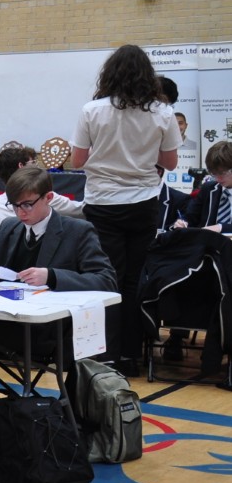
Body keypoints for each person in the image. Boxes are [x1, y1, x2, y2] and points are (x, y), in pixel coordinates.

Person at [71, 44, 181, 373]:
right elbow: (170, 162)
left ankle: (106, 353)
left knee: (107, 278)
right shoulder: (162, 112)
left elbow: (78, 161)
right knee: (134, 279)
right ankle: (132, 355)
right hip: (143, 202)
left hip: (102, 202)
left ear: (109, 74)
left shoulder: (92, 110)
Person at [0, 166, 116, 292]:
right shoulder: (8, 226)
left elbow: (106, 280)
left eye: (27, 205)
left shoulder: (78, 231)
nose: (20, 212)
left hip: (53, 312)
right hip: (6, 309)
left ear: (48, 197)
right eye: (14, 205)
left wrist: (52, 277)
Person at [0, 146, 82, 229]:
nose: (21, 213)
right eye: (33, 163)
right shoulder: (43, 197)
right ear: (21, 166)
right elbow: (79, 210)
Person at [176, 140, 232, 230]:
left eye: (222, 173)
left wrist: (220, 228)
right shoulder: (209, 188)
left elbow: (218, 228)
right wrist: (182, 222)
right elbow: (190, 217)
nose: (218, 178)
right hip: (207, 238)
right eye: (214, 173)